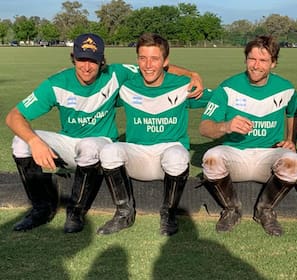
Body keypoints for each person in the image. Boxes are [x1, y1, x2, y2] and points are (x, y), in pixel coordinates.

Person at [5, 33, 204, 234]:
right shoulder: (56, 83)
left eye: (93, 60)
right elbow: (14, 116)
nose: (87, 66)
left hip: (100, 142)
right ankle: (41, 208)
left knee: (90, 146)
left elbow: (153, 67)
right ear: (73, 57)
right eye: (81, 59)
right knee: (21, 142)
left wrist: (192, 75)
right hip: (68, 142)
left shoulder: (116, 73)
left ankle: (76, 212)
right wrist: (34, 141)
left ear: (102, 60)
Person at [96, 33, 211, 236]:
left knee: (177, 154)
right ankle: (124, 213)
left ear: (165, 61)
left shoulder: (183, 86)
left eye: (155, 59)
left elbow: (221, 99)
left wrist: (194, 75)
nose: (148, 65)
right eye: (143, 58)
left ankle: (169, 214)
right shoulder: (126, 85)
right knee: (109, 151)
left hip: (170, 161)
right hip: (137, 157)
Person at [198, 35, 297, 236]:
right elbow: (204, 127)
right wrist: (226, 126)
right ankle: (232, 209)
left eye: (263, 60)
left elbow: (294, 112)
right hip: (235, 155)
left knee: (294, 163)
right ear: (245, 59)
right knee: (210, 159)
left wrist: (291, 140)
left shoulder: (286, 89)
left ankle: (265, 210)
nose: (256, 66)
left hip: (268, 155)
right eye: (251, 59)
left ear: (274, 63)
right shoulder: (228, 87)